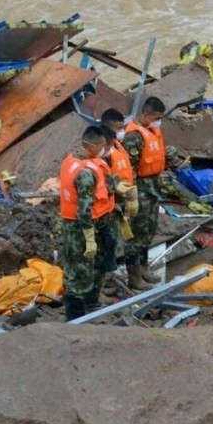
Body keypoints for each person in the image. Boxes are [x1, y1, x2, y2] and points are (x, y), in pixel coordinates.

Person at [59, 125, 118, 320]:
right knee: (79, 271)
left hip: (96, 221)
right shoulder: (84, 172)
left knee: (96, 264)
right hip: (79, 227)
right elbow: (84, 209)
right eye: (102, 146)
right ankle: (75, 317)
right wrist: (89, 237)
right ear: (91, 146)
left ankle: (91, 301)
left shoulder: (76, 160)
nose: (104, 150)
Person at [122, 97, 168, 290]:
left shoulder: (152, 131)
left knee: (148, 229)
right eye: (156, 117)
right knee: (137, 233)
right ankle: (134, 276)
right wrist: (129, 197)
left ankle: (143, 268)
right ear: (146, 114)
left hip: (153, 187)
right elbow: (129, 169)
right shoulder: (134, 136)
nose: (159, 121)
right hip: (140, 189)